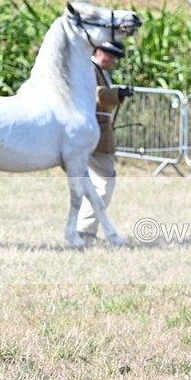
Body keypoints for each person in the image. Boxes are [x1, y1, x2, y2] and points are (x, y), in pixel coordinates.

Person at [77, 40, 133, 243]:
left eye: (115, 56)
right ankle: (84, 232)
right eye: (110, 55)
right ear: (98, 52)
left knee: (99, 185)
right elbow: (96, 95)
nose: (113, 60)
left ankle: (85, 231)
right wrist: (118, 93)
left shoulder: (97, 70)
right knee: (103, 184)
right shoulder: (89, 69)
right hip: (94, 136)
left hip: (99, 134)